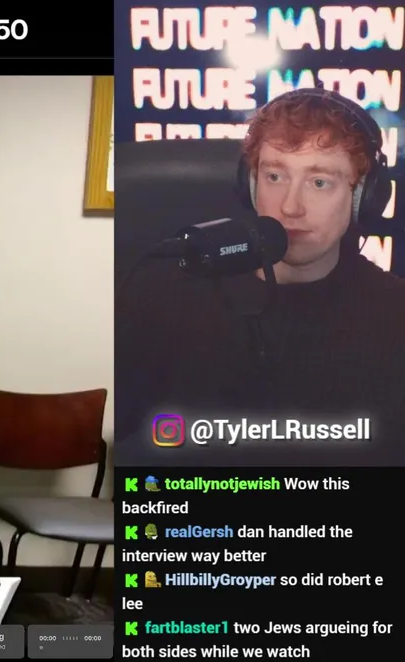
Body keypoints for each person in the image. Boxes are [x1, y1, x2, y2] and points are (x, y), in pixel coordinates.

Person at [116, 89, 405, 465]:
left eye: (319, 182)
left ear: (365, 197)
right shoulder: (163, 294)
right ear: (250, 185)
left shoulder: (395, 316)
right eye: (274, 176)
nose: (290, 206)